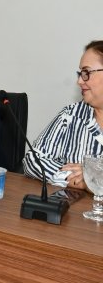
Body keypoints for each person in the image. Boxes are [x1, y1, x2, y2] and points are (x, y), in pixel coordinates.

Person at [23, 40, 103, 190]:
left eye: (86, 73)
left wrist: (94, 179)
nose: (79, 81)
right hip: (75, 210)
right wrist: (74, 177)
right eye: (80, 73)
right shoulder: (71, 115)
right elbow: (33, 160)